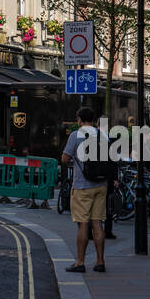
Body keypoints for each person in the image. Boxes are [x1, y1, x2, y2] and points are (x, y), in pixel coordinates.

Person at [60, 106, 108, 273]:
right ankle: (100, 261)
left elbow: (65, 158)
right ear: (93, 120)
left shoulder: (75, 135)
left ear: (79, 120)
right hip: (101, 185)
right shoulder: (103, 135)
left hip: (82, 186)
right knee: (98, 223)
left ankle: (80, 262)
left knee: (83, 225)